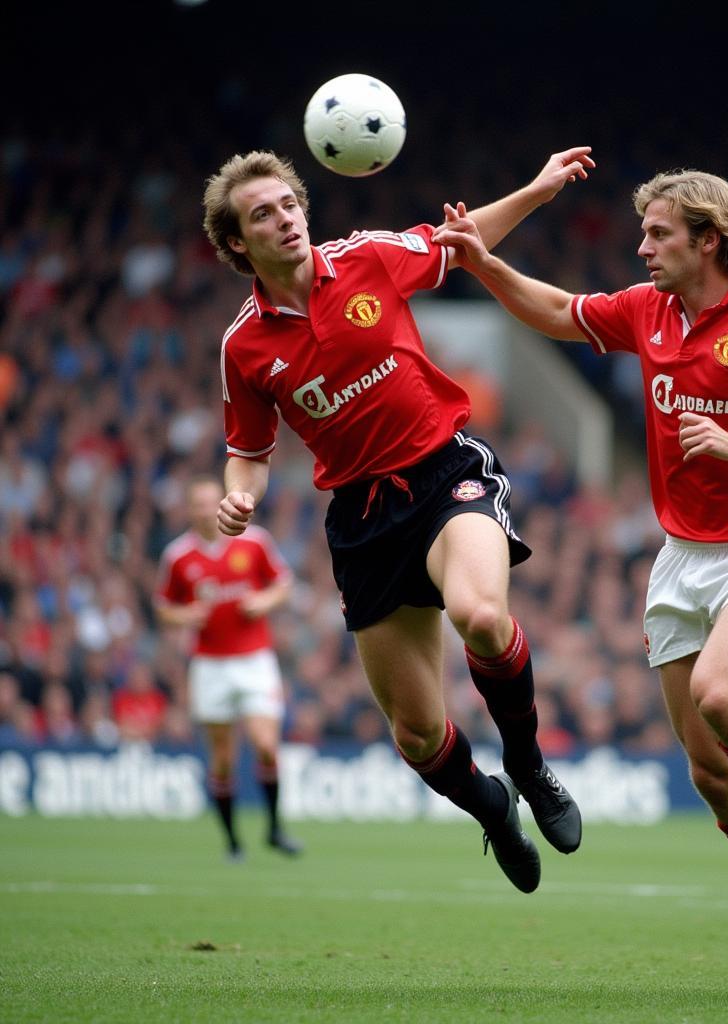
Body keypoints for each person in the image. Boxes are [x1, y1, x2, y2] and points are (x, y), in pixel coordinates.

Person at [434, 169, 728, 993]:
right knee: (708, 769)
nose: (642, 248)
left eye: (658, 234)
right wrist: (483, 263)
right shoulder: (651, 311)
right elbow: (561, 312)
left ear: (710, 238)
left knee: (722, 695)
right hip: (682, 559)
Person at [200, 147, 593, 892]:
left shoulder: (368, 258)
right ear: (236, 244)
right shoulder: (242, 347)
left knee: (481, 615)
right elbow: (247, 450)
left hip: (445, 473)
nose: (284, 220)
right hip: (363, 519)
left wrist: (536, 190)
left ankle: (529, 764)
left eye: (288, 205)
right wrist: (238, 492)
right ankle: (491, 809)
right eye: (262, 215)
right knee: (416, 736)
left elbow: (458, 239)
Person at [155, 475, 301, 861]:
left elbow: (283, 584)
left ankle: (273, 828)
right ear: (189, 510)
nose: (205, 509)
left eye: (210, 502)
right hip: (210, 665)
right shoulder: (178, 556)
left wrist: (263, 603)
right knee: (222, 757)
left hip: (255, 659)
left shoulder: (254, 542)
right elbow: (163, 608)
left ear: (221, 503)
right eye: (198, 504)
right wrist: (185, 614)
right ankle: (233, 842)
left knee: (267, 746)